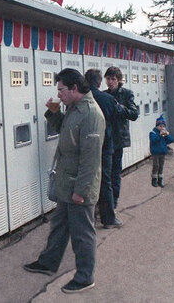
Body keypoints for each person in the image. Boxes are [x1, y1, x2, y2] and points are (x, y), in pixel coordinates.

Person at [23, 68, 105, 294]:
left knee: (82, 233)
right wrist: (53, 113)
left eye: (61, 90)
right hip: (66, 182)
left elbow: (91, 159)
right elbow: (65, 132)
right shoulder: (74, 108)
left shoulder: (90, 114)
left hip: (79, 185)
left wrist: (81, 190)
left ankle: (85, 276)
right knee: (59, 226)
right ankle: (48, 262)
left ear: (75, 89)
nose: (58, 94)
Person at [84, 69, 122, 229]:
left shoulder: (81, 99)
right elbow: (117, 119)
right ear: (100, 82)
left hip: (86, 146)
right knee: (105, 180)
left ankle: (88, 217)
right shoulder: (108, 99)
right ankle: (108, 218)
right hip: (105, 145)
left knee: (87, 179)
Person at [104, 66, 139, 209]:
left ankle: (114, 201)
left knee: (115, 172)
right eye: (108, 79)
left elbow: (134, 114)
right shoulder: (104, 94)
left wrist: (118, 107)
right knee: (106, 172)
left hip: (118, 138)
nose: (110, 82)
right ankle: (106, 202)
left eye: (113, 79)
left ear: (119, 80)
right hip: (105, 138)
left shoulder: (126, 94)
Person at [149, 115, 174, 187]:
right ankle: (154, 179)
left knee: (161, 166)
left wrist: (167, 135)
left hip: (162, 152)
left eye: (163, 126)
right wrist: (160, 135)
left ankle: (160, 179)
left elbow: (170, 140)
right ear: (157, 126)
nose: (162, 128)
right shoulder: (153, 133)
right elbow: (154, 140)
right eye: (160, 126)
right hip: (156, 152)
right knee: (156, 165)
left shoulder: (164, 133)